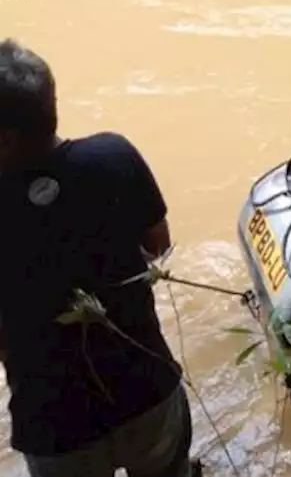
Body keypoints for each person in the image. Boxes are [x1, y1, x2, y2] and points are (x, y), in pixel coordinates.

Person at [0, 40, 193, 477]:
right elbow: (159, 245)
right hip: (146, 390)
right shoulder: (113, 155)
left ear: (6, 136)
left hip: (57, 427)